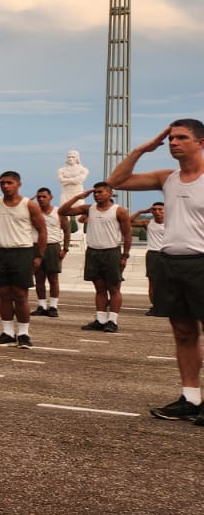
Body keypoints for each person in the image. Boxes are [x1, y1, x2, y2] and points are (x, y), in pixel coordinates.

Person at [107, 120, 204, 422]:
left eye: (181, 137)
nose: (173, 142)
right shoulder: (167, 178)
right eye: (171, 138)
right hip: (171, 262)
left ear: (200, 142)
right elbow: (117, 181)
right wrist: (140, 150)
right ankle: (191, 399)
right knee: (183, 332)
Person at [0, 172, 48, 349]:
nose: (5, 186)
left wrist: (39, 255)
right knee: (4, 295)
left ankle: (23, 334)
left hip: (22, 252)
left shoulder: (29, 205)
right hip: (0, 252)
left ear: (18, 184)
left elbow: (42, 231)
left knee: (21, 296)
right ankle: (7, 333)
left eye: (9, 183)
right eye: (2, 183)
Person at [61, 182, 133, 333]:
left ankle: (112, 321)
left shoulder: (119, 211)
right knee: (99, 288)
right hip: (93, 252)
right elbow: (63, 211)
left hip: (111, 252)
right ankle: (100, 320)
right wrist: (78, 197)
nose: (96, 195)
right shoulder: (88, 209)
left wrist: (125, 255)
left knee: (113, 288)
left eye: (100, 192)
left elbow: (127, 235)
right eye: (95, 192)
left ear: (109, 193)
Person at [31, 187, 71, 318]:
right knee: (39, 278)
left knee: (53, 278)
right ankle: (42, 305)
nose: (41, 199)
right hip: (36, 246)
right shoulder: (33, 212)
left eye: (44, 196)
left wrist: (65, 249)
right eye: (39, 197)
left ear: (50, 197)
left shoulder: (59, 212)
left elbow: (66, 230)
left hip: (53, 246)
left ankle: (53, 306)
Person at [132, 202, 166, 316]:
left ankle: (169, 307)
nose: (157, 212)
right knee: (153, 283)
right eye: (154, 210)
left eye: (160, 209)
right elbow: (127, 221)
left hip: (168, 255)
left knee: (171, 283)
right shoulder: (147, 223)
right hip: (153, 254)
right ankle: (155, 306)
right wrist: (140, 212)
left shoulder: (173, 224)